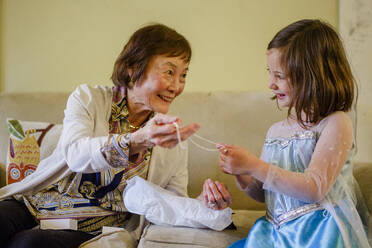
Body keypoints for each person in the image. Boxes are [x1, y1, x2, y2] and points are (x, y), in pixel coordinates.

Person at [0, 23, 232, 248]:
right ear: (133, 68)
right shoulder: (88, 99)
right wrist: (136, 141)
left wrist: (202, 204)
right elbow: (75, 153)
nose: (177, 86)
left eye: (183, 75)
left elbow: (167, 202)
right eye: (170, 72)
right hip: (35, 204)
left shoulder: (172, 138)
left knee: (28, 243)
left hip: (89, 228)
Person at [217, 19, 371, 247]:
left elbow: (314, 188)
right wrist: (241, 172)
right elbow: (263, 194)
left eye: (279, 76)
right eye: (270, 73)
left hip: (318, 233)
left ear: (312, 76)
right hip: (275, 232)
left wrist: (254, 165)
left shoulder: (336, 123)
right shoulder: (276, 130)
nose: (270, 83)